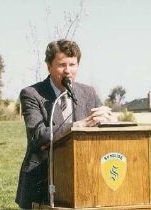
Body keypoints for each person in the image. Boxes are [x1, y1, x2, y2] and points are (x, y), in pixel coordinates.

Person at [15, 39, 116, 209]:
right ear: (49, 66)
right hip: (42, 182)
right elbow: (38, 135)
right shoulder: (31, 94)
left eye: (73, 64)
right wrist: (77, 125)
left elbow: (102, 126)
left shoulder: (88, 92)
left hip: (83, 180)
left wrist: (109, 120)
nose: (68, 71)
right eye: (62, 65)